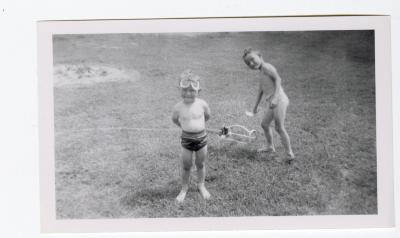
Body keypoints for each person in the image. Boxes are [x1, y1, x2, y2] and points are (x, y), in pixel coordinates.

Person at [242, 48, 295, 163]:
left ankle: (289, 154)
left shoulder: (266, 67)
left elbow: (278, 79)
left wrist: (275, 98)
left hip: (279, 100)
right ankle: (270, 146)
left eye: (252, 59)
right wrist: (255, 106)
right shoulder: (261, 71)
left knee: (279, 127)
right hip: (273, 102)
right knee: (265, 124)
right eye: (248, 63)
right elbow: (260, 90)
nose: (251, 63)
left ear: (260, 56)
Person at [172, 70, 211, 202]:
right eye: (185, 90)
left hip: (202, 139)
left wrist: (199, 127)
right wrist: (184, 127)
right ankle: (184, 188)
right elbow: (175, 119)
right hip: (186, 140)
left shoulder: (202, 104)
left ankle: (201, 185)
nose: (188, 93)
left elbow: (207, 116)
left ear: (198, 90)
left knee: (200, 164)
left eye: (192, 90)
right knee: (186, 165)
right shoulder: (178, 107)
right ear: (179, 89)